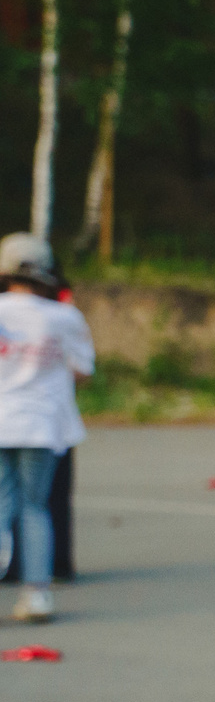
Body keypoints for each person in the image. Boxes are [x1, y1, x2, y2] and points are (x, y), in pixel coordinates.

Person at [0, 234, 92, 624]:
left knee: (1, 505)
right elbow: (83, 371)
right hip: (41, 424)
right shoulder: (63, 316)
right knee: (35, 507)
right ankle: (36, 595)